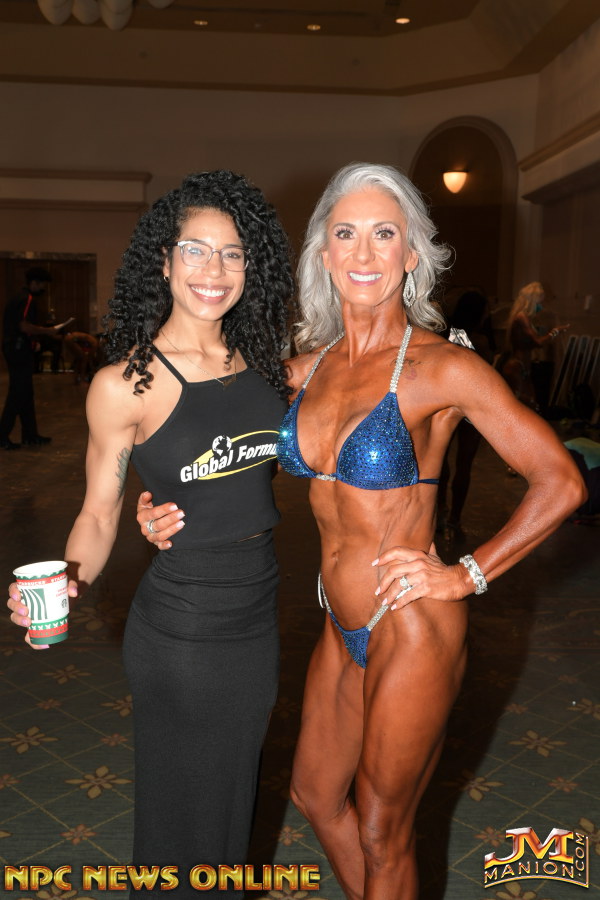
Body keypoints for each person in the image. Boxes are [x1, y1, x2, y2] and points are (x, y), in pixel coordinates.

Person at [132, 163, 585, 900]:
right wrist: (154, 506)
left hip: (411, 623)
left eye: (384, 234)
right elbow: (200, 442)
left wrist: (466, 574)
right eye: (346, 234)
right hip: (339, 624)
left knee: (381, 827)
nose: (364, 253)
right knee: (315, 794)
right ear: (323, 253)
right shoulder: (300, 373)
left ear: (412, 254)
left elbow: (560, 481)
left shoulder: (443, 368)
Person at [8, 171, 294, 897]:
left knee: (230, 811)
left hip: (256, 616)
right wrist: (66, 583)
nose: (214, 270)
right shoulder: (124, 384)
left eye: (232, 253)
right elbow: (99, 513)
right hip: (183, 627)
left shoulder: (266, 365)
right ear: (163, 262)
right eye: (195, 250)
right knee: (181, 820)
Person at [437, 288, 495, 540]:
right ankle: (455, 519)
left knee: (440, 461)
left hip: (447, 404)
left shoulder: (448, 336)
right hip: (472, 410)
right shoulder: (480, 341)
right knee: (464, 465)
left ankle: (441, 512)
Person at [0, 266, 61, 448]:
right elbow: (24, 326)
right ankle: (2, 436)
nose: (43, 289)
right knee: (18, 392)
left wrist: (35, 342)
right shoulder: (26, 299)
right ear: (34, 283)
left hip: (17, 348)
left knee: (26, 392)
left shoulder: (19, 298)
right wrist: (48, 331)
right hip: (18, 351)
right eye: (42, 285)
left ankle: (30, 435)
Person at [498, 281, 569, 409]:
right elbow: (538, 342)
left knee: (529, 403)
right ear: (532, 301)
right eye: (539, 303)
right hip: (517, 366)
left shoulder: (524, 318)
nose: (541, 306)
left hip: (523, 366)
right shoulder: (522, 317)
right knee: (524, 405)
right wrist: (555, 332)